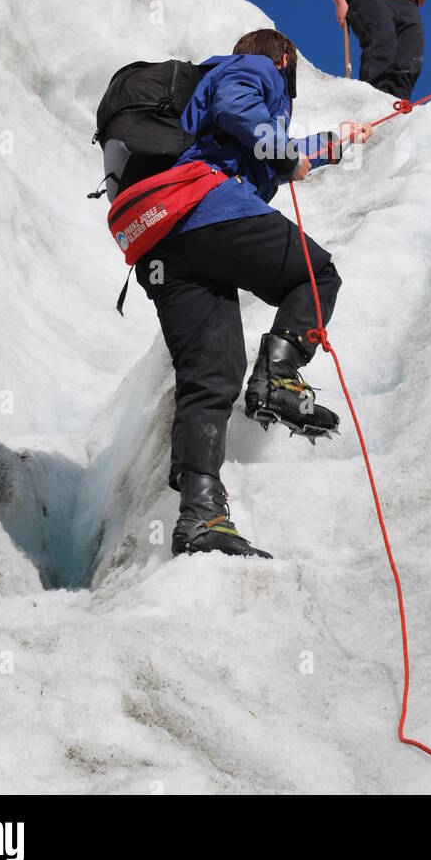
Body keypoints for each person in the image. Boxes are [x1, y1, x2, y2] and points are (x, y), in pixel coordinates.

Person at [132, 28, 374, 561]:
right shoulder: (257, 68)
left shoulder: (212, 96)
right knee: (316, 275)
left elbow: (257, 145)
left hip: (159, 239)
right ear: (285, 56)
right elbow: (240, 109)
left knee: (210, 376)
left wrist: (331, 146)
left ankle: (200, 515)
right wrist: (287, 154)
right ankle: (277, 379)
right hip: (204, 209)